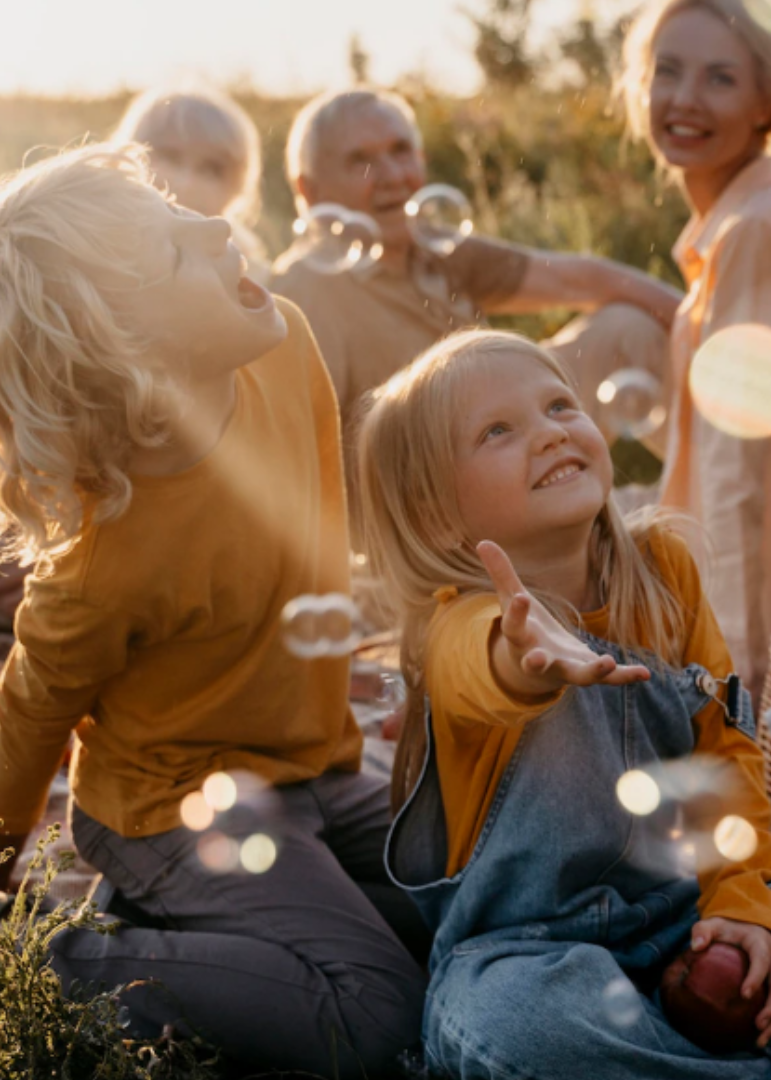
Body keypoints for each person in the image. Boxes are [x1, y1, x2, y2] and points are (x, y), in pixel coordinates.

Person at [355, 327, 771, 1080]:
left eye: (559, 406)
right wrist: (527, 663)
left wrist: (742, 910)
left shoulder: (665, 574)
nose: (550, 433)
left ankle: (651, 1055)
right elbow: (478, 666)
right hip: (527, 960)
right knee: (510, 1028)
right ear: (438, 515)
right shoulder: (463, 623)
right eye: (497, 431)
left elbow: (725, 754)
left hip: (683, 927)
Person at [0, 144, 425, 1079]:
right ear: (119, 351)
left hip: (315, 765)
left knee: (484, 898)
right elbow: (31, 709)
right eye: (173, 250)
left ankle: (167, 920)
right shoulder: (103, 561)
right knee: (380, 1015)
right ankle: (61, 957)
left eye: (178, 209)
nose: (215, 225)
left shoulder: (286, 344)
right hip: (168, 808)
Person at [619, 0, 771, 695]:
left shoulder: (755, 233)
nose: (684, 99)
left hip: (769, 601)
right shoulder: (733, 227)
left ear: (766, 107)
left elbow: (734, 468)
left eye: (720, 78)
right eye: (668, 71)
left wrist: (731, 670)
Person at [272, 86, 681, 449]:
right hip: (426, 497)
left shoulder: (431, 246)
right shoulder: (307, 287)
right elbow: (303, 452)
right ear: (310, 190)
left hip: (503, 437)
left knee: (629, 327)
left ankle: (713, 487)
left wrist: (708, 324)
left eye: (400, 152)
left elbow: (578, 279)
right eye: (360, 160)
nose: (393, 176)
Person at [113, 85, 269, 281]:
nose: (187, 182)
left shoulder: (253, 280)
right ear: (131, 157)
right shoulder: (99, 255)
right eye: (170, 157)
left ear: (238, 185)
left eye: (211, 169)